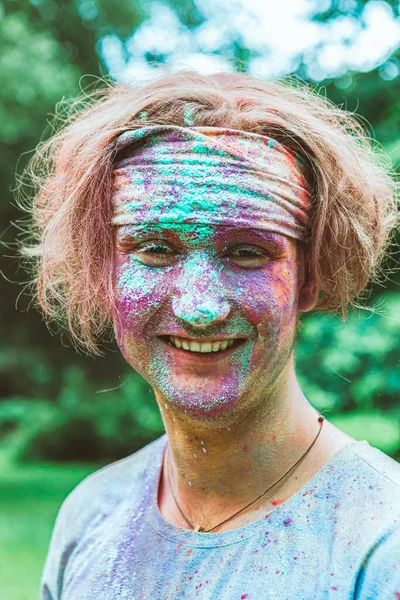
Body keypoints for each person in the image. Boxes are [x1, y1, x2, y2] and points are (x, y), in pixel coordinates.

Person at [19, 69, 399, 599]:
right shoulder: (90, 515)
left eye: (248, 252)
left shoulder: (382, 544)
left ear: (310, 277)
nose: (200, 308)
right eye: (155, 249)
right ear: (101, 270)